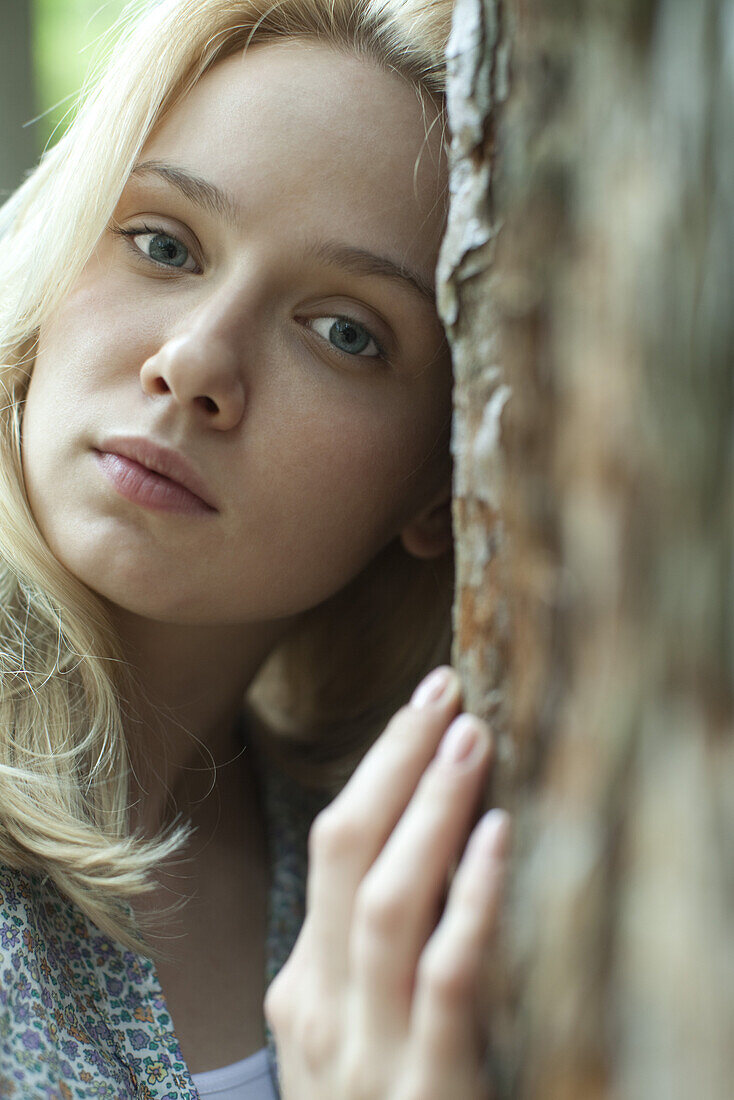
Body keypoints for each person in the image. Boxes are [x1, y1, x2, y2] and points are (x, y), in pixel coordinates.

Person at [0, 0, 511, 1097]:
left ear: (439, 485)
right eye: (164, 243)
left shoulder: (393, 871)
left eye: (344, 331)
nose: (194, 362)